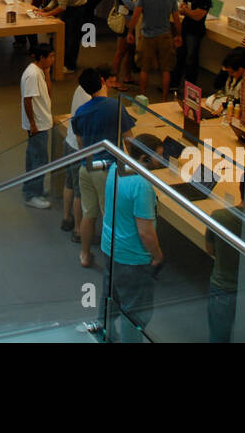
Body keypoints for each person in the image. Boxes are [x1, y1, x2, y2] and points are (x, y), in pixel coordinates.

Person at [101, 135, 165, 342]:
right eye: (159, 157)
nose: (162, 162)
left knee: (110, 300)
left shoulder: (116, 168)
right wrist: (157, 256)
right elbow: (145, 231)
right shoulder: (142, 185)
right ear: (145, 158)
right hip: (133, 257)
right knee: (136, 314)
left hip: (111, 247)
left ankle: (107, 338)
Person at [72, 66, 136, 268]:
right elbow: (130, 140)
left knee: (88, 213)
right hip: (106, 169)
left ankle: (84, 254)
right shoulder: (115, 106)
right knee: (110, 215)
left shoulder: (80, 112)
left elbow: (82, 145)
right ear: (102, 80)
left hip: (86, 168)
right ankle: (113, 258)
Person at [127, 0, 181, 100]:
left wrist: (130, 31)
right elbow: (176, 18)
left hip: (147, 35)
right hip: (164, 35)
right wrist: (179, 35)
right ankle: (164, 99)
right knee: (166, 69)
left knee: (145, 68)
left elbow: (136, 15)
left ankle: (143, 96)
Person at [205, 178, 245, 342]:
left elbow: (210, 249)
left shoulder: (219, 217)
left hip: (222, 287)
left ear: (239, 188)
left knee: (218, 336)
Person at [20, 43, 56, 209]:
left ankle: (32, 187)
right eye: (50, 56)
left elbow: (48, 93)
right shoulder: (33, 75)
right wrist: (33, 124)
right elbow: (27, 100)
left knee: (34, 156)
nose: (53, 59)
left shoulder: (40, 71)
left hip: (42, 121)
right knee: (39, 159)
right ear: (41, 57)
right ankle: (32, 195)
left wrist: (48, 73)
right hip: (38, 125)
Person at [33, 0, 88, 73]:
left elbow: (62, 7)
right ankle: (63, 62)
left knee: (72, 38)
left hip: (78, 8)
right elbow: (54, 1)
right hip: (70, 7)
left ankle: (71, 66)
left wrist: (46, 14)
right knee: (65, 36)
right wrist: (43, 9)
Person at [177, 0, 213, 89]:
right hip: (185, 28)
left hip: (195, 32)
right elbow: (181, 10)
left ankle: (190, 86)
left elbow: (198, 16)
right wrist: (190, 12)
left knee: (191, 59)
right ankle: (176, 84)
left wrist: (187, 11)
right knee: (180, 55)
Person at [111, 0, 141, 87]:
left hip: (134, 24)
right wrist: (140, 6)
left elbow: (136, 5)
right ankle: (114, 78)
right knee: (120, 52)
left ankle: (127, 76)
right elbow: (133, 5)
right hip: (125, 24)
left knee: (130, 52)